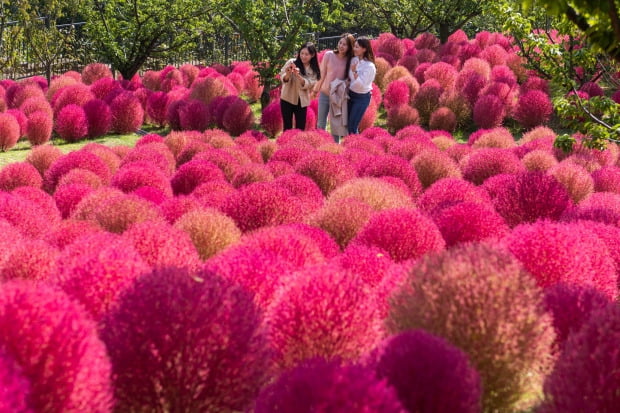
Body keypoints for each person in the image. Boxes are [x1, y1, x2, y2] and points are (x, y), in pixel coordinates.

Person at [312, 33, 355, 140]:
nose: (341, 46)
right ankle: (321, 143)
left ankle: (335, 148)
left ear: (350, 47)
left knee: (336, 125)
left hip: (338, 97)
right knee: (321, 122)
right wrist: (315, 90)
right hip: (325, 94)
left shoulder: (351, 60)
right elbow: (321, 74)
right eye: (340, 43)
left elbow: (351, 78)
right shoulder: (329, 55)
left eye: (345, 44)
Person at [279, 42, 320, 131]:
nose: (303, 56)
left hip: (302, 101)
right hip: (287, 98)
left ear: (312, 55)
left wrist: (298, 76)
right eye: (302, 53)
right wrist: (288, 74)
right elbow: (282, 77)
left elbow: (310, 84)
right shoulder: (291, 62)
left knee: (300, 128)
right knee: (287, 127)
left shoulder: (313, 69)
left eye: (306, 54)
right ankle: (286, 144)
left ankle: (297, 144)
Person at [347, 37, 376, 135]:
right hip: (350, 95)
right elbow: (349, 78)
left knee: (352, 125)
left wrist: (355, 71)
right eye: (354, 46)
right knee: (348, 125)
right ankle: (350, 147)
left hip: (361, 98)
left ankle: (356, 148)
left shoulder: (370, 66)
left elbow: (362, 85)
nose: (354, 49)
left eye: (357, 47)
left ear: (364, 49)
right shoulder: (354, 60)